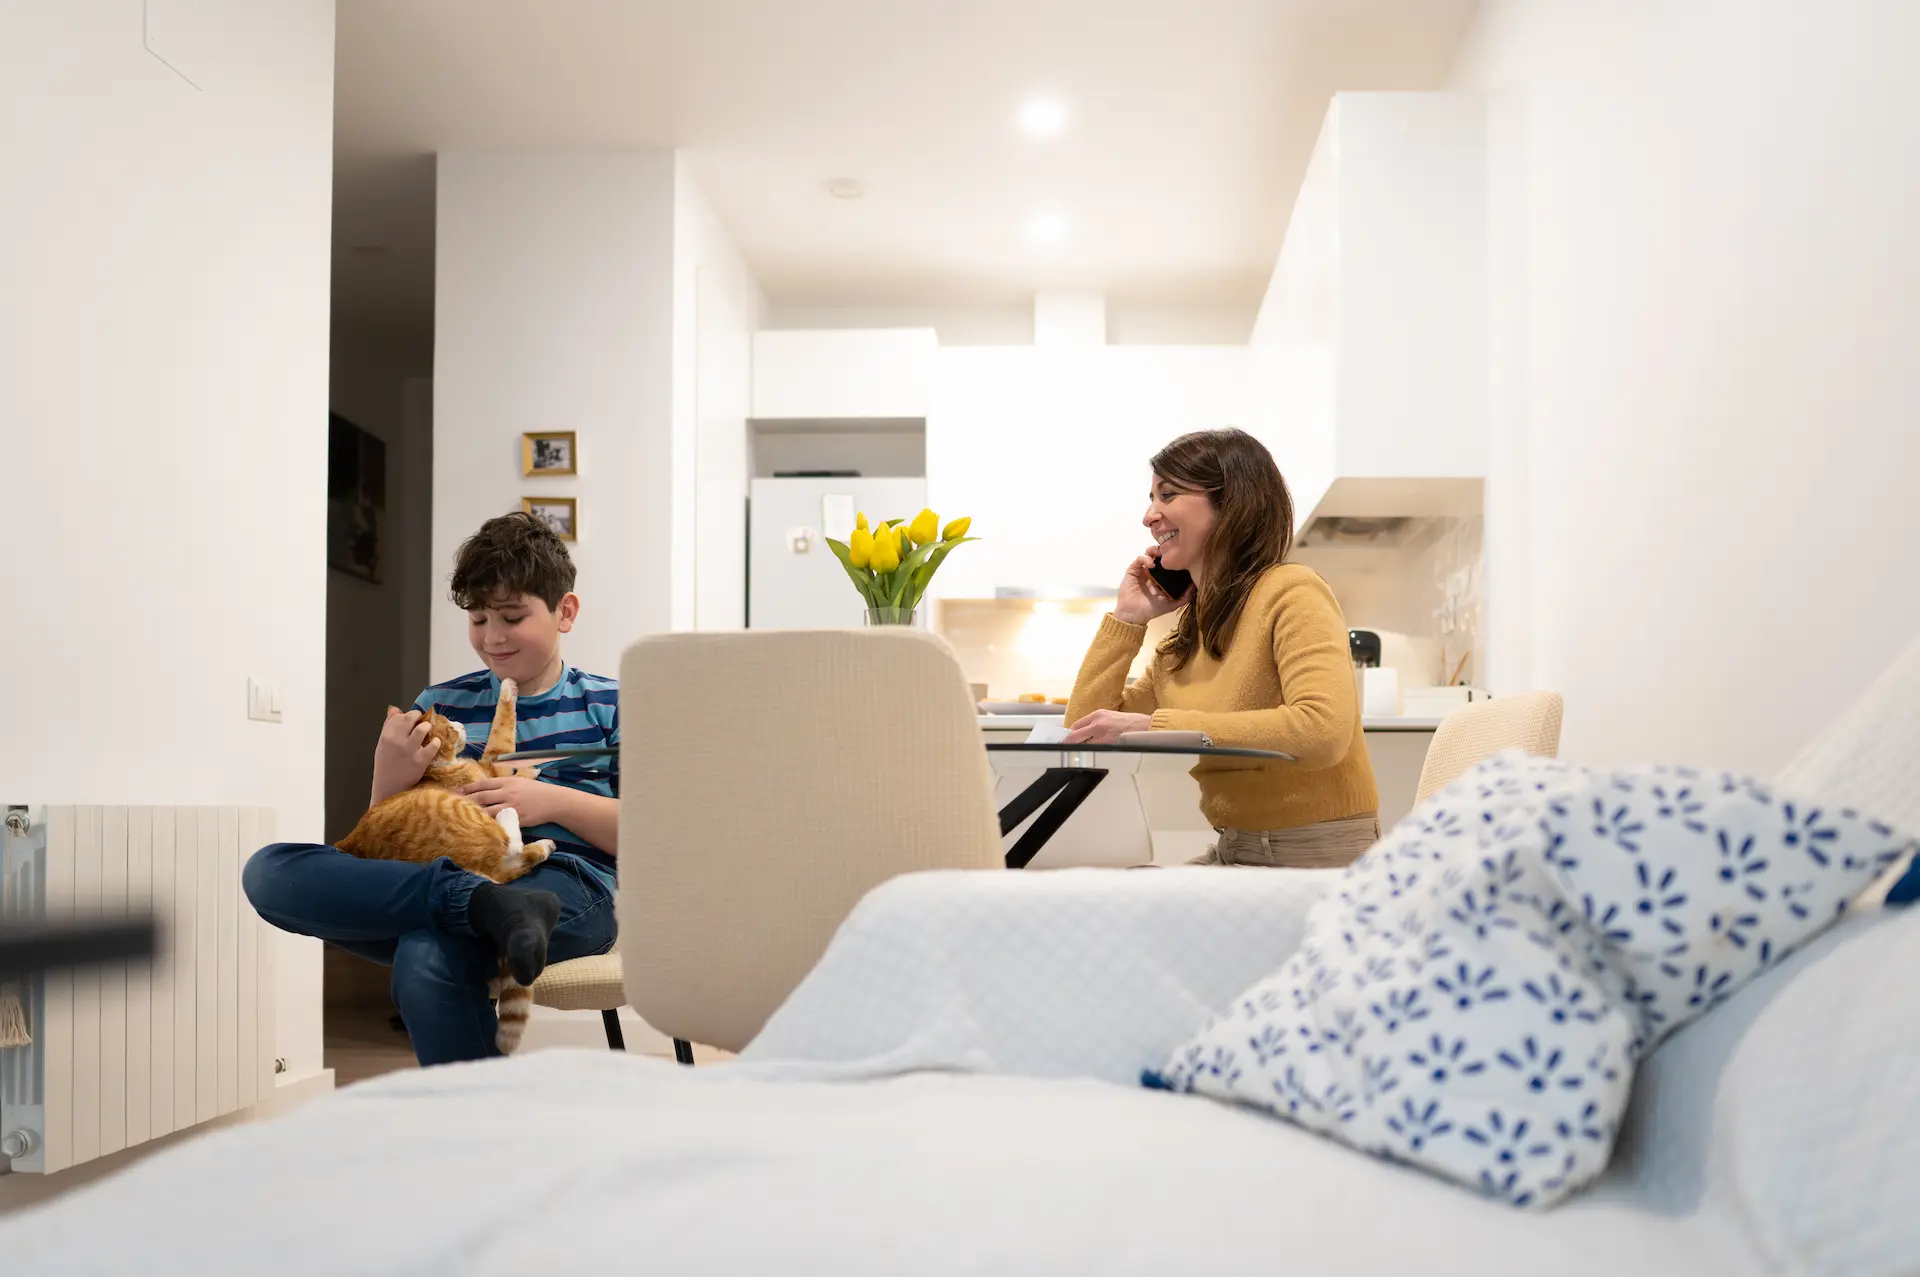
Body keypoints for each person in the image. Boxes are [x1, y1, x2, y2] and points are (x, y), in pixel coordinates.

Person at [243, 512, 620, 1064]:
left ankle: (465, 1139)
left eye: (512, 617)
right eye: (477, 619)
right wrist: (386, 779)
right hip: (448, 876)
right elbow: (387, 839)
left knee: (426, 952)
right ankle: (482, 905)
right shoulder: (442, 703)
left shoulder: (610, 704)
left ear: (565, 611)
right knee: (268, 871)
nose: (492, 637)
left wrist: (551, 800)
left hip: (568, 888)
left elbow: (653, 837)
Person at [1063, 428, 1380, 868]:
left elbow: (1322, 732)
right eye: (1152, 497)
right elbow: (1084, 729)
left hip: (1314, 855)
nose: (1149, 516)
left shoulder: (1292, 591)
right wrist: (1127, 621)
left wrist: (1158, 725)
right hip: (1237, 849)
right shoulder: (1188, 635)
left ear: (1231, 502)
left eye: (1168, 495)